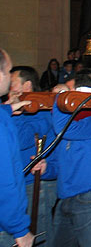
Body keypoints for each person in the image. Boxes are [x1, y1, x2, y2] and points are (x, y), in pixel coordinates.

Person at [51, 68, 91, 247]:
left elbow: (63, 129)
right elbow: (61, 158)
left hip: (89, 195)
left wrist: (60, 98)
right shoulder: (74, 118)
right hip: (66, 195)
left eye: (71, 93)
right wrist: (47, 169)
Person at [7, 66, 58, 247]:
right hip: (18, 183)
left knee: (38, 236)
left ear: (26, 85)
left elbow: (20, 139)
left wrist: (15, 113)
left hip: (36, 185)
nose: (8, 86)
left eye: (12, 82)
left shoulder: (40, 111)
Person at [0, 48, 35, 247]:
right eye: (9, 72)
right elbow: (4, 181)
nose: (10, 78)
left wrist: (7, 109)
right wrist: (20, 229)